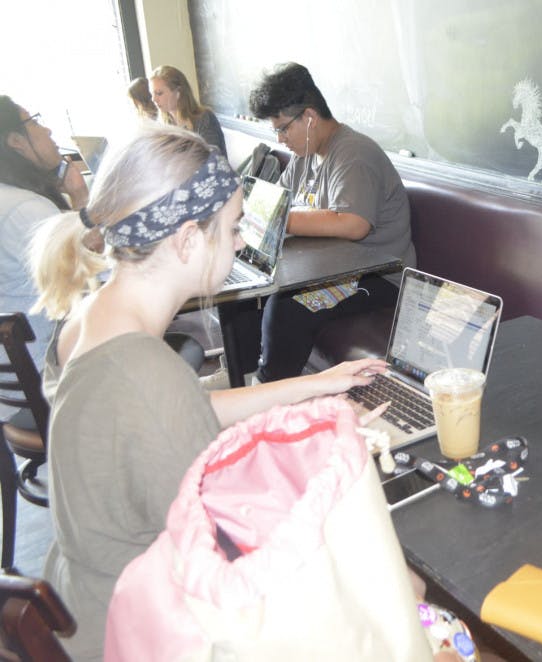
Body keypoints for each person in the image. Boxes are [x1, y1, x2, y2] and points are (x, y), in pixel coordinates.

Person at [29, 125, 387, 661]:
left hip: (80, 599)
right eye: (235, 227)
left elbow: (179, 411)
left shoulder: (94, 318)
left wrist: (312, 388)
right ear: (188, 239)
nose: (241, 243)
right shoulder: (146, 374)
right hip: (139, 631)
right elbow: (226, 554)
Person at [247, 62, 416, 382]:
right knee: (251, 297)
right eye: (276, 131)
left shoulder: (354, 154)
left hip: (379, 278)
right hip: (331, 271)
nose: (281, 139)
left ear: (309, 117)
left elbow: (353, 224)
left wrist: (282, 219)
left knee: (286, 307)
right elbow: (274, 203)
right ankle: (248, 377)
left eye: (283, 128)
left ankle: (268, 392)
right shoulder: (304, 157)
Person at [0, 96, 90, 418]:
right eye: (34, 122)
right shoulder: (27, 210)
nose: (48, 130)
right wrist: (79, 196)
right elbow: (84, 283)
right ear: (15, 142)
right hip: (45, 382)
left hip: (11, 385)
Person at [149, 64, 227, 156]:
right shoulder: (164, 123)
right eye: (152, 94)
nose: (153, 99)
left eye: (159, 93)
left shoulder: (204, 118)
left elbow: (210, 158)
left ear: (178, 93)